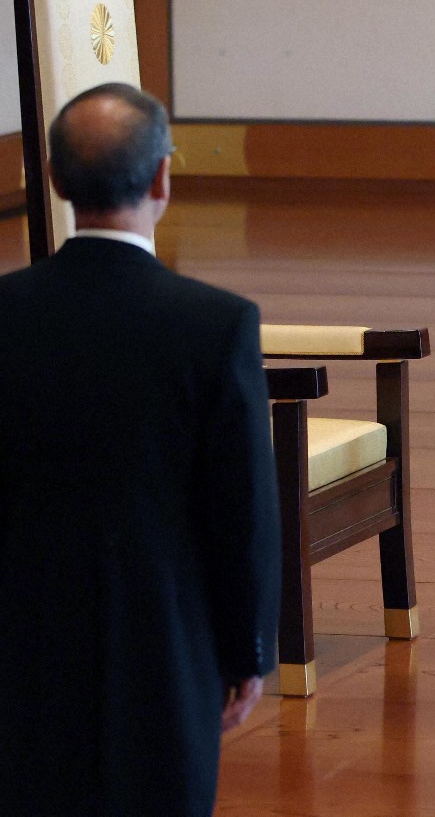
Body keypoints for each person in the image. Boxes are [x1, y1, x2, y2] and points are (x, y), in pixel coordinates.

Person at [0, 83, 280, 813]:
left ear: (54, 181)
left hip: (23, 639)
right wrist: (248, 650)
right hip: (166, 639)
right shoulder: (215, 324)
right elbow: (243, 505)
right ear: (162, 178)